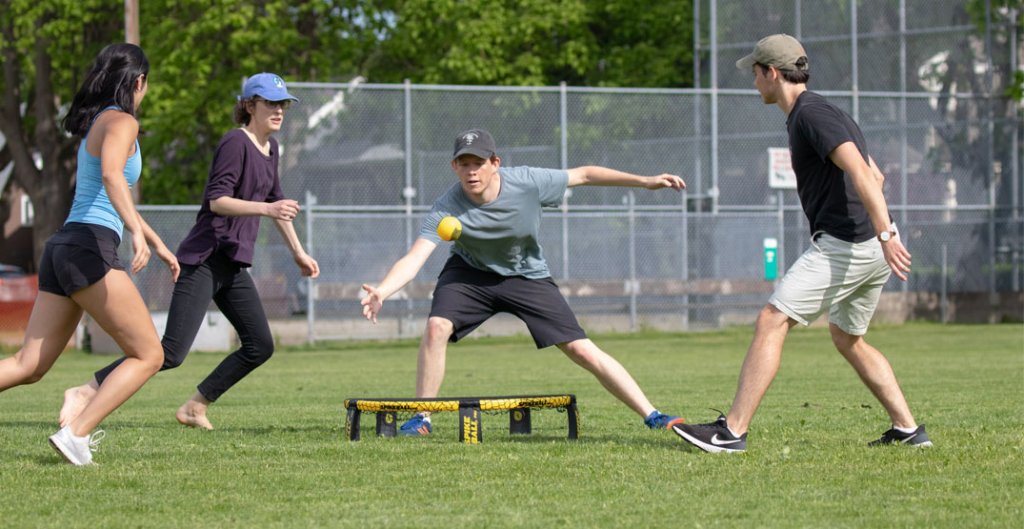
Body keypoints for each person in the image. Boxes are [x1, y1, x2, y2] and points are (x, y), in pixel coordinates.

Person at [671, 34, 930, 453]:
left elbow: (866, 178)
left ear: (772, 73)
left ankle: (731, 431)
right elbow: (876, 175)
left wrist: (882, 236)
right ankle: (907, 429)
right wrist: (883, 234)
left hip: (849, 244)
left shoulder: (811, 115)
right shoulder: (823, 110)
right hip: (868, 243)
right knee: (847, 338)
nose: (754, 82)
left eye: (756, 74)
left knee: (771, 320)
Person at [360, 128, 688, 436]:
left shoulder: (528, 182)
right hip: (469, 275)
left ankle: (653, 414)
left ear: (495, 164)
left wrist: (646, 181)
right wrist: (383, 291)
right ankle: (422, 417)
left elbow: (584, 174)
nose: (471, 171)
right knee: (436, 327)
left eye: (478, 163)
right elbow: (415, 258)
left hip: (525, 274)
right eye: (464, 164)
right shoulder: (447, 206)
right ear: (454, 167)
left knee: (580, 349)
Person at [60, 73, 320, 431]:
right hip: (203, 260)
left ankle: (195, 406)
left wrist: (298, 253)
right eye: (270, 103)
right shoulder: (235, 143)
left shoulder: (271, 150)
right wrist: (266, 210)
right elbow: (218, 201)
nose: (278, 111)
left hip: (231, 265)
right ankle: (85, 391)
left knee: (260, 345)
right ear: (249, 106)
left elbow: (277, 203)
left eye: (283, 105)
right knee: (169, 352)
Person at [0, 43, 179, 465]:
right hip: (88, 248)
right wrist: (135, 232)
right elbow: (113, 177)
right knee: (150, 354)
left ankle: (76, 432)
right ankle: (76, 435)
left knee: (29, 365)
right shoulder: (124, 123)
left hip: (64, 245)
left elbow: (104, 194)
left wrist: (153, 239)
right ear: (139, 82)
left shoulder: (98, 123)